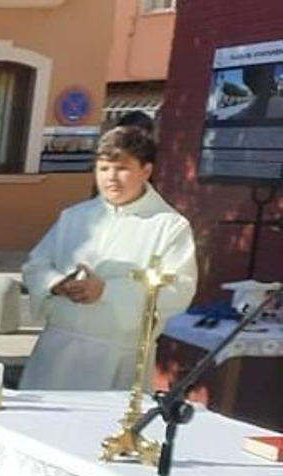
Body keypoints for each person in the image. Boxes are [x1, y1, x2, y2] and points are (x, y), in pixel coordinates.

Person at [18, 127, 197, 391]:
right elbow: (36, 266)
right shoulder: (75, 217)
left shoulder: (169, 226)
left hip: (117, 357)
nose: (111, 177)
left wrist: (107, 291)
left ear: (146, 170)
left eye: (122, 168)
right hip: (57, 351)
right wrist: (56, 284)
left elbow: (179, 291)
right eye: (103, 168)